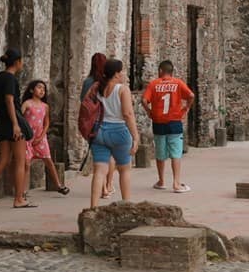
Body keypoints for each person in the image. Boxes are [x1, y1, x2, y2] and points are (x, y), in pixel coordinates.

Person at [0, 48, 35, 209]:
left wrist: (2, 114)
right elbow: (10, 101)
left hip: (2, 122)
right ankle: (19, 198)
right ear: (17, 62)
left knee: (3, 161)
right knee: (20, 161)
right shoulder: (10, 79)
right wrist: (15, 124)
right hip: (13, 123)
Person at [89, 59, 138, 209]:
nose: (123, 74)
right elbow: (128, 114)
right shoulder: (122, 89)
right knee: (124, 170)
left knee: (99, 170)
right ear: (116, 73)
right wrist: (135, 136)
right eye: (122, 71)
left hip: (99, 131)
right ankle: (127, 206)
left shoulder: (96, 87)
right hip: (119, 131)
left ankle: (93, 208)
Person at [141, 60, 195, 193]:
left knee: (160, 153)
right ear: (171, 72)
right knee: (176, 153)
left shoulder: (154, 84)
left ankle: (161, 181)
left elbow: (143, 100)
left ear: (160, 71)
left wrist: (149, 111)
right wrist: (186, 108)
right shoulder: (177, 83)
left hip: (158, 122)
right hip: (174, 122)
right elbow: (191, 95)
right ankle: (176, 183)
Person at [21, 80, 70, 196]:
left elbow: (46, 123)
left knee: (48, 160)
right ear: (32, 90)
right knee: (26, 164)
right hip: (27, 137)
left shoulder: (45, 106)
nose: (42, 90)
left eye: (44, 89)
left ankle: (58, 185)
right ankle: (24, 190)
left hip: (40, 137)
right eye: (39, 88)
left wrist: (41, 136)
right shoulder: (27, 104)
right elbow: (20, 118)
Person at [80, 52, 115, 199]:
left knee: (99, 157)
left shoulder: (88, 82)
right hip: (109, 121)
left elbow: (84, 101)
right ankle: (109, 185)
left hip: (94, 123)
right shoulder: (108, 81)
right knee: (111, 156)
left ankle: (103, 189)